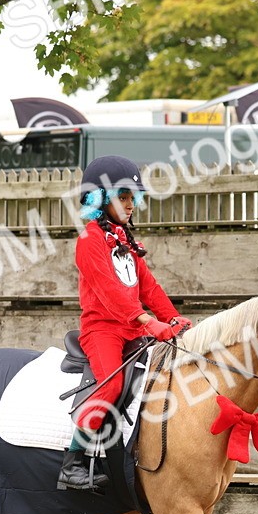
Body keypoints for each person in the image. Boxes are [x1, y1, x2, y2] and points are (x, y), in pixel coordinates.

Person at [57, 155, 191, 491]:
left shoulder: (125, 241)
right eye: (123, 197)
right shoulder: (89, 240)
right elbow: (110, 292)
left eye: (133, 198)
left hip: (132, 328)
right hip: (102, 329)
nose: (130, 205)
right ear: (100, 199)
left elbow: (149, 287)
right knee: (112, 384)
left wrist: (173, 318)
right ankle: (74, 462)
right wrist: (149, 322)